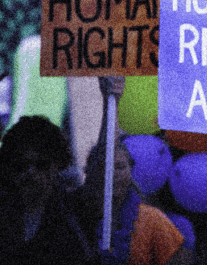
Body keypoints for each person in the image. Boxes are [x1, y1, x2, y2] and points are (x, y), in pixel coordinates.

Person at [82, 77, 192, 265]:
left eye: (120, 167)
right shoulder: (76, 213)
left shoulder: (152, 220)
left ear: (131, 170)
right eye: (105, 167)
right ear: (90, 171)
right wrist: (109, 101)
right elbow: (103, 157)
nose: (113, 173)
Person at [0, 115, 96, 264]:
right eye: (21, 166)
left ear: (57, 165)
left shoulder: (75, 210)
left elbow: (102, 171)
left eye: (41, 165)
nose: (30, 172)